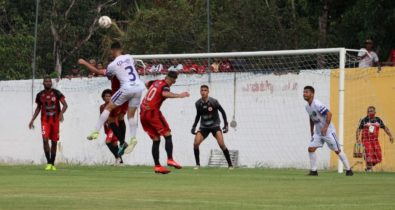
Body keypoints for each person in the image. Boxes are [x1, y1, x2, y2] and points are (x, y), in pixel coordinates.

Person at [78, 42, 143, 155]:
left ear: (112, 51)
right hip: (138, 88)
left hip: (124, 91)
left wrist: (84, 62)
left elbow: (98, 72)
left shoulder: (112, 66)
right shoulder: (129, 57)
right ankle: (132, 139)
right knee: (128, 116)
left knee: (108, 109)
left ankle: (96, 131)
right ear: (121, 49)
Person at [140, 71, 190, 174]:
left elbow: (146, 84)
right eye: (173, 81)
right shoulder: (165, 85)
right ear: (171, 79)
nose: (173, 83)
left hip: (143, 113)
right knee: (167, 134)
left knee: (156, 139)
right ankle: (170, 159)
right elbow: (164, 93)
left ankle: (157, 166)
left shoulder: (156, 82)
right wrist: (179, 95)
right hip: (153, 112)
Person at [303, 86, 353, 176]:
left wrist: (325, 127)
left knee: (337, 150)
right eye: (304, 92)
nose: (304, 94)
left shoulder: (317, 104)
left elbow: (329, 114)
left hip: (328, 132)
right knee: (311, 149)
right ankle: (313, 171)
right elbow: (311, 118)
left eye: (307, 92)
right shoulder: (307, 107)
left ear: (312, 94)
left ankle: (349, 170)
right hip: (318, 133)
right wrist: (311, 130)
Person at [28, 76, 68, 171]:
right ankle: (49, 163)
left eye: (49, 81)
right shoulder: (40, 95)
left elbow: (65, 105)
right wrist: (32, 119)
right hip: (45, 121)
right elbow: (38, 108)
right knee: (45, 140)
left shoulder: (57, 93)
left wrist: (61, 114)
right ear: (43, 83)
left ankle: (52, 163)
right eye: (46, 81)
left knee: (54, 142)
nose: (48, 83)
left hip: (55, 121)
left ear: (51, 83)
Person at [191, 85, 233, 169]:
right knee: (195, 144)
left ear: (208, 92)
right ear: (200, 92)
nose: (203, 92)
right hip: (204, 127)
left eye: (205, 90)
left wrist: (226, 124)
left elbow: (223, 112)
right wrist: (194, 126)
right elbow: (198, 115)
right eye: (202, 90)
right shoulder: (198, 103)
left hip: (215, 126)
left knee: (221, 144)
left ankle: (230, 165)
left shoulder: (214, 102)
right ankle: (197, 165)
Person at [356, 106, 394, 172]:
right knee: (369, 154)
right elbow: (358, 130)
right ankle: (369, 169)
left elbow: (385, 128)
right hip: (366, 140)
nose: (369, 112)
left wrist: (390, 136)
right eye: (368, 111)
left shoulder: (378, 120)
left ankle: (369, 167)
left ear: (375, 112)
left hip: (375, 141)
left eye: (371, 111)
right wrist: (357, 139)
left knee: (379, 157)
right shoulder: (364, 120)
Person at [100, 89, 123, 165]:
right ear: (103, 97)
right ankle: (120, 162)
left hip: (113, 127)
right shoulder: (102, 107)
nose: (108, 97)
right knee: (114, 144)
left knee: (108, 142)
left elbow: (117, 116)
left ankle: (117, 158)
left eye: (109, 96)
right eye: (106, 96)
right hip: (107, 127)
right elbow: (102, 118)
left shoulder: (114, 105)